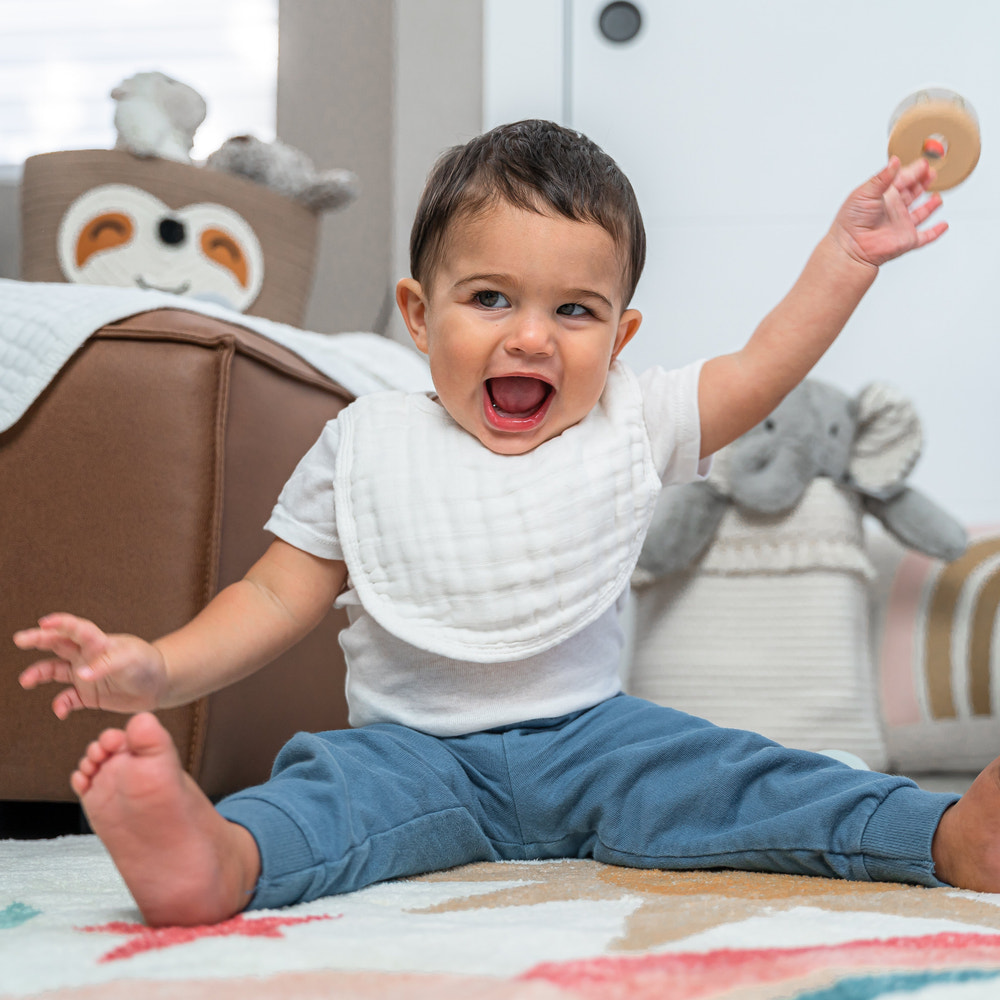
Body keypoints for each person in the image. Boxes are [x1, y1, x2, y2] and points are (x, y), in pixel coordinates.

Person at [14, 120, 997, 930]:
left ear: (619, 338)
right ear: (417, 312)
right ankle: (219, 858)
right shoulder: (363, 442)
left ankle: (943, 834)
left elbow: (759, 365)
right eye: (489, 298)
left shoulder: (632, 419)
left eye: (573, 311)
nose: (529, 334)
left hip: (597, 742)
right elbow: (273, 593)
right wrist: (160, 669)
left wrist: (845, 258)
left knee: (745, 776)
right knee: (321, 790)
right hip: (411, 750)